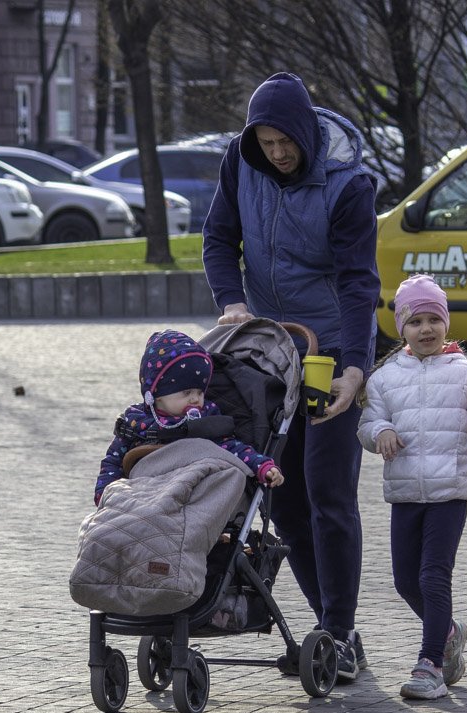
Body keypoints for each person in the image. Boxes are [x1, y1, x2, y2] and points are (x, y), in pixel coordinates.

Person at [202, 72, 380, 680]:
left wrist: (356, 368)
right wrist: (232, 302)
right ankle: (326, 628)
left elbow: (360, 282)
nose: (277, 154)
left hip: (329, 349)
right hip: (268, 352)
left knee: (329, 493)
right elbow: (219, 238)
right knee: (285, 497)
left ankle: (341, 630)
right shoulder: (241, 161)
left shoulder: (348, 185)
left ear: (306, 132)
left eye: (287, 142)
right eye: (266, 142)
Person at [357, 275, 467, 700]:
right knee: (404, 580)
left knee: (434, 575)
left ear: (446, 322)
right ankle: (450, 631)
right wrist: (379, 430)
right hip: (405, 492)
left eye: (434, 318)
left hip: (449, 491)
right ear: (401, 327)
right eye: (415, 321)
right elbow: (367, 423)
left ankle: (430, 662)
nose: (426, 329)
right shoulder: (384, 378)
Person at [93, 329, 283, 506]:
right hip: (144, 496)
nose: (195, 398)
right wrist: (105, 494)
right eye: (186, 392)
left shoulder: (205, 421)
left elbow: (233, 448)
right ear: (156, 394)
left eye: (200, 392)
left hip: (192, 497)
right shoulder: (135, 423)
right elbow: (113, 461)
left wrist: (262, 466)